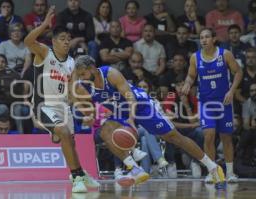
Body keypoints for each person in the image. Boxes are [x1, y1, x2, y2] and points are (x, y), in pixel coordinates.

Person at [72, 55, 227, 189]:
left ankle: (213, 167)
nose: (81, 77)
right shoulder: (83, 86)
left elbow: (130, 97)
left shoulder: (111, 74)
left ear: (92, 68)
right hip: (119, 109)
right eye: (79, 75)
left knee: (174, 137)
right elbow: (88, 109)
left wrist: (131, 119)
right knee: (105, 131)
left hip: (140, 104)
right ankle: (135, 169)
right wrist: (89, 116)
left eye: (83, 73)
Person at [24, 6, 99, 193]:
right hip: (44, 106)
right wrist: (44, 24)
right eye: (62, 39)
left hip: (63, 107)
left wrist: (86, 112)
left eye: (68, 39)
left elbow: (73, 92)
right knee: (64, 133)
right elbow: (28, 41)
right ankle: (76, 178)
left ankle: (80, 173)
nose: (66, 42)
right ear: (53, 41)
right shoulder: (44, 53)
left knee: (70, 143)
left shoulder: (72, 63)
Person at [181, 28, 243, 183]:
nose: (203, 40)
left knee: (226, 137)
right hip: (206, 103)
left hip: (224, 102)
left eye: (207, 37)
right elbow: (191, 75)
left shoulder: (225, 54)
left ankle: (229, 173)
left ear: (214, 39)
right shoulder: (195, 58)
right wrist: (188, 83)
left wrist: (231, 91)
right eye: (201, 37)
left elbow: (238, 72)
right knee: (208, 136)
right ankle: (212, 171)